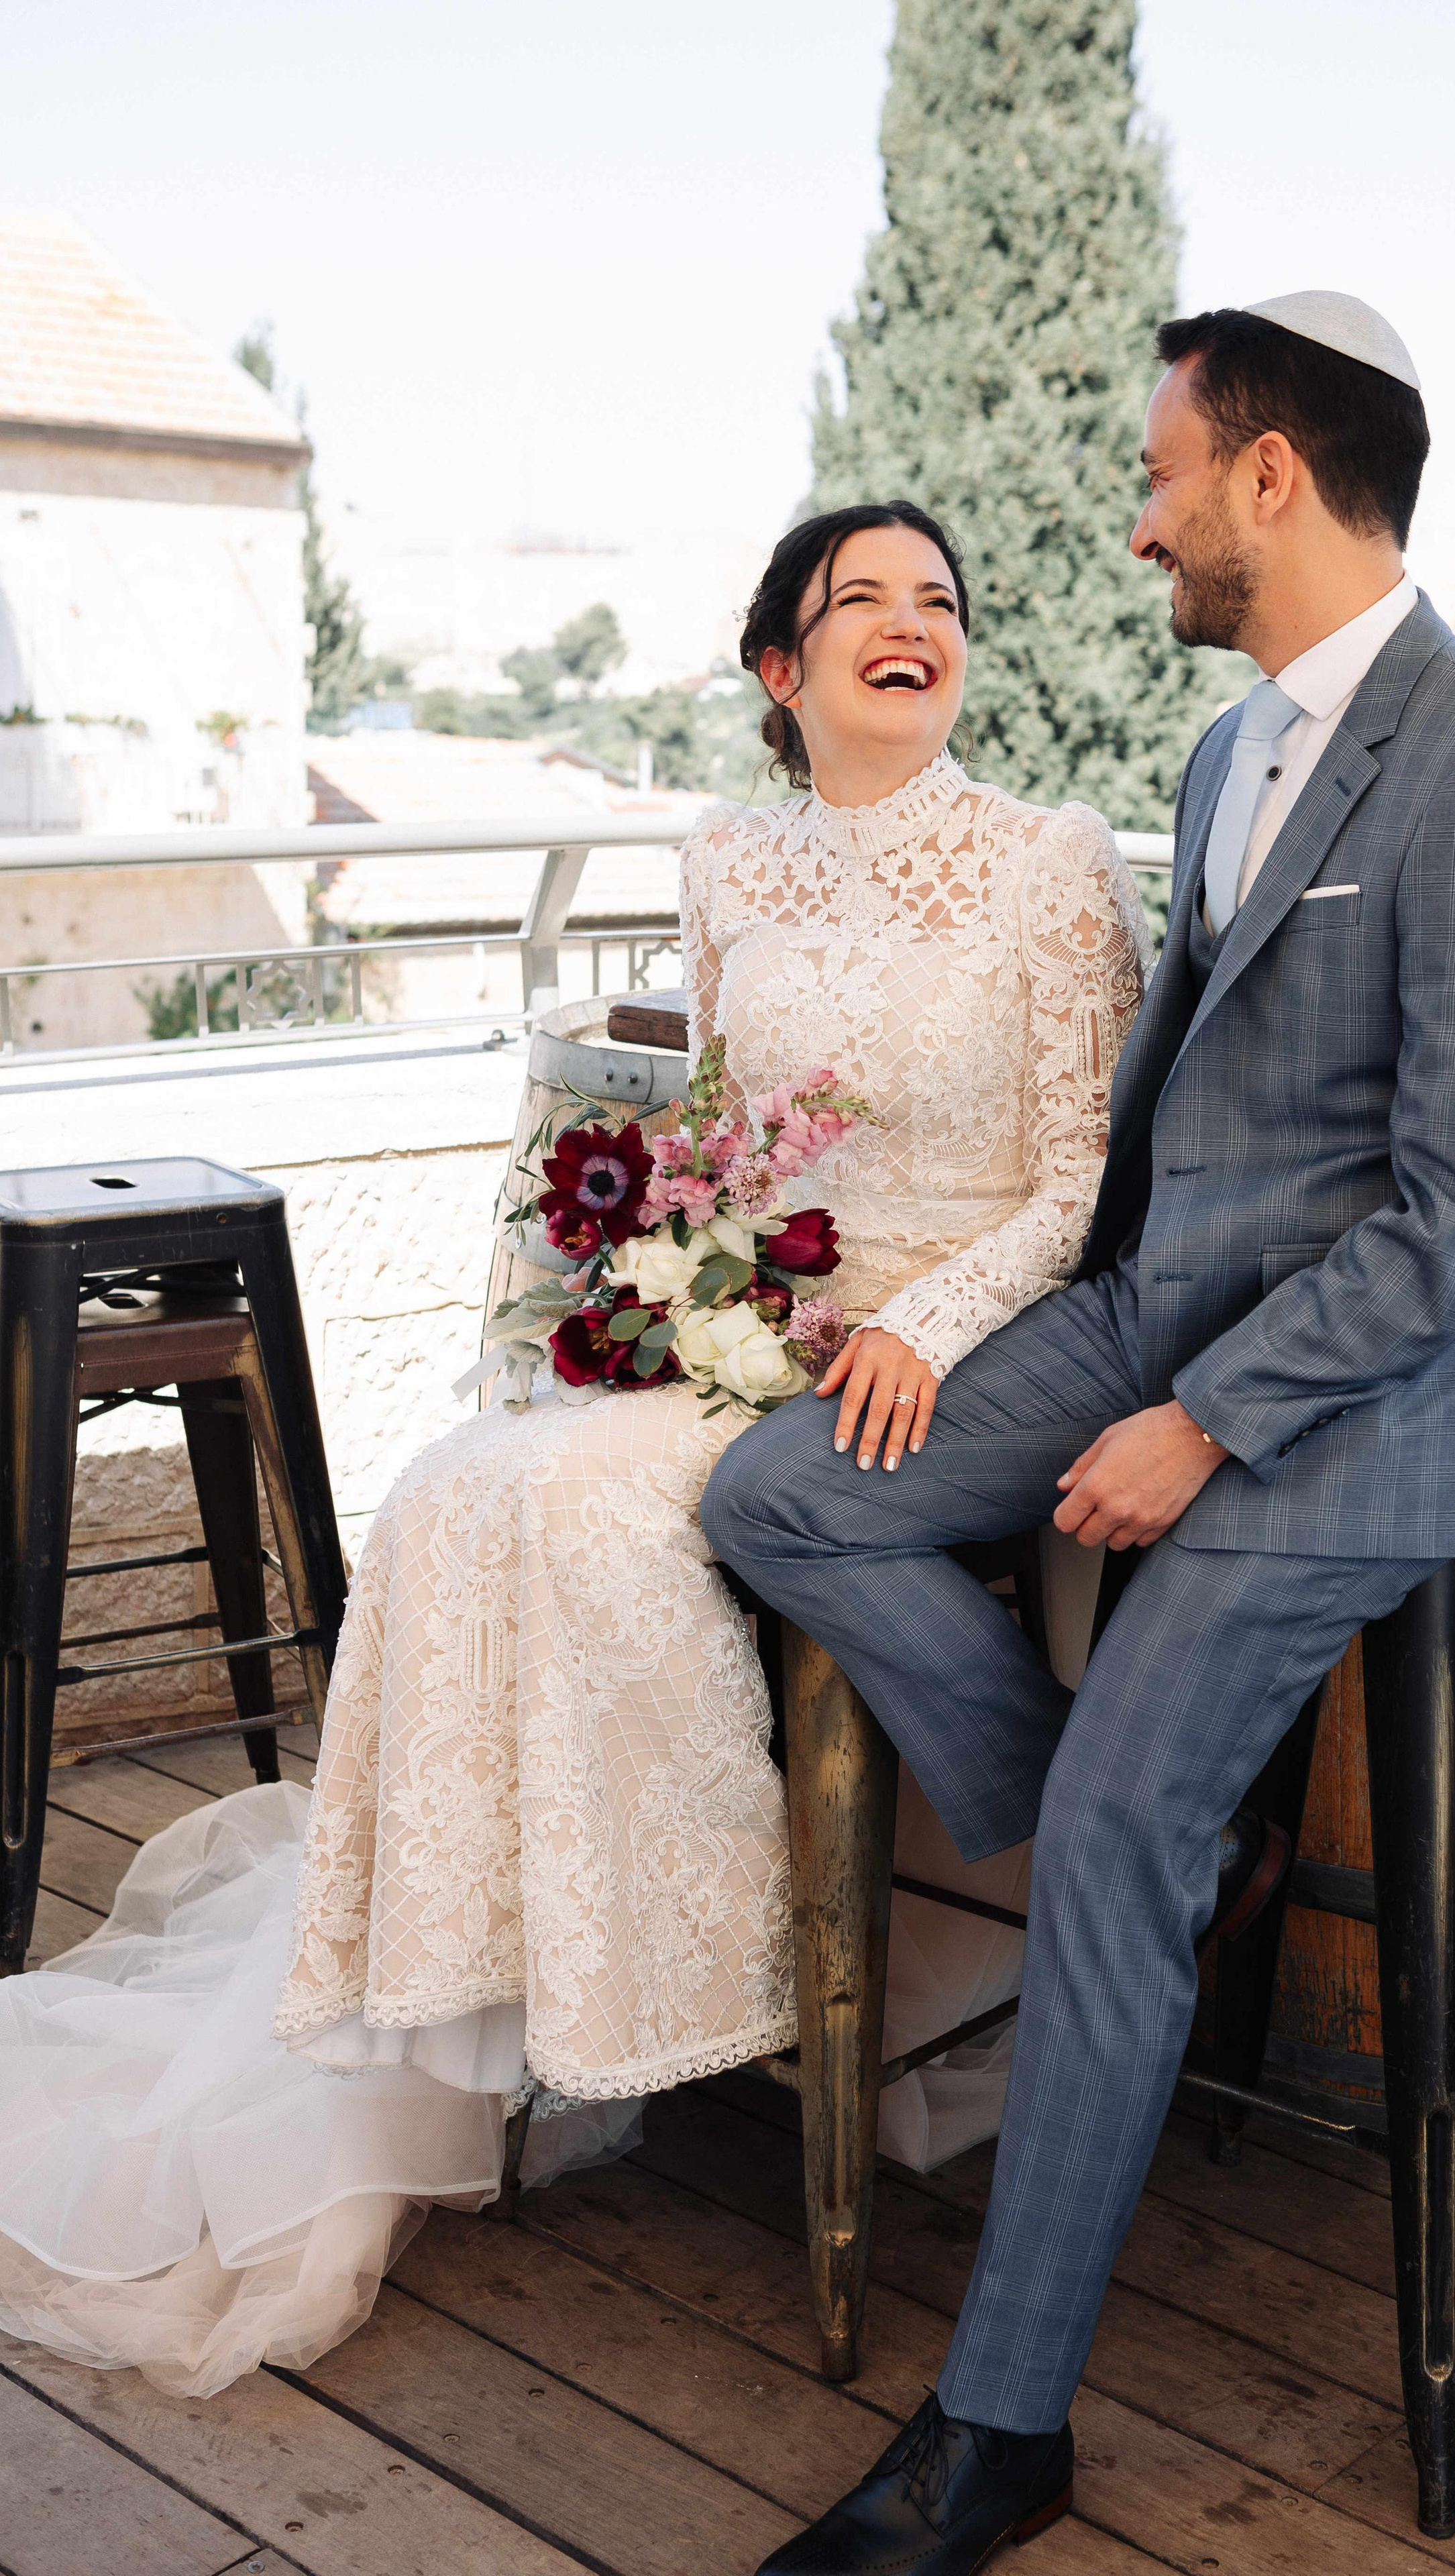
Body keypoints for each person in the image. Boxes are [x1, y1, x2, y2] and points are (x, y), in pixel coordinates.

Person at [0, 500, 1152, 2398]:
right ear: (784, 667)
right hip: (753, 1329)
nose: (910, 624)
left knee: (542, 1492)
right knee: (461, 1479)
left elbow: (1081, 1179)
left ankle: (681, 1993)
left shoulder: (1049, 862)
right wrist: (674, 1286)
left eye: (940, 601)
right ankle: (483, 1992)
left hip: (940, 1355)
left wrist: (921, 1329)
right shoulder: (723, 860)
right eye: (860, 600)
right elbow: (718, 1137)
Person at [703, 293, 1455, 2575]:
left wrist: (1204, 1423)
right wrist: (968, 1311)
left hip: (1359, 1404)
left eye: (1164, 474)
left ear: (1270, 477)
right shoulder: (1224, 763)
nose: (1139, 525)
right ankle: (1120, 1833)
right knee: (784, 1489)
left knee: (1115, 1815)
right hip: (1137, 1320)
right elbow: (1148, 1130)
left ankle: (1000, 2430)